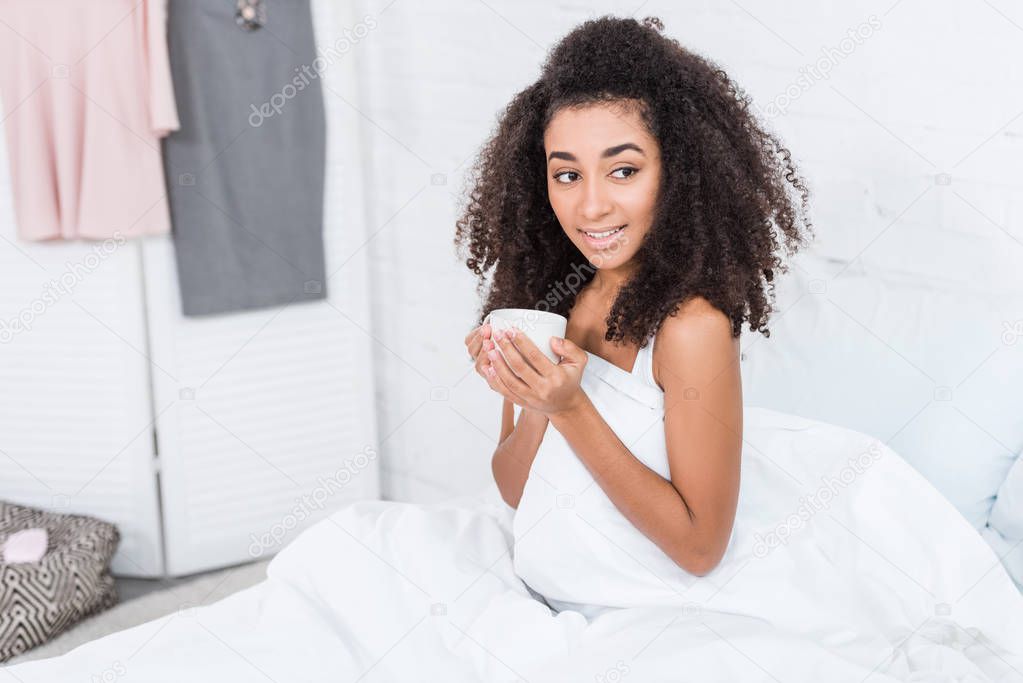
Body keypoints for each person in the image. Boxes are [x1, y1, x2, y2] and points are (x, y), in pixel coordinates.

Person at [456, 14, 813, 585]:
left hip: (650, 603)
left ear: (678, 172)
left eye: (623, 170)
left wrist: (571, 409)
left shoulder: (691, 329)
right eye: (567, 176)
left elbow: (700, 550)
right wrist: (532, 400)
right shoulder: (546, 301)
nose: (591, 207)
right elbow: (514, 491)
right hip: (548, 585)